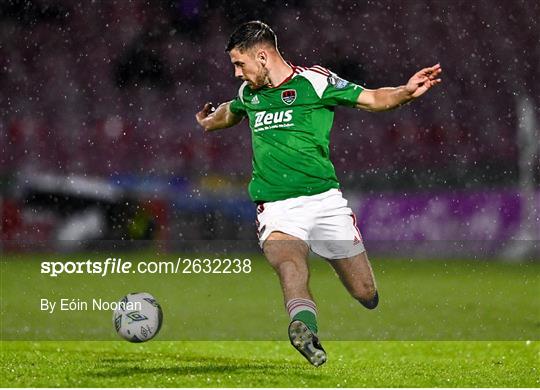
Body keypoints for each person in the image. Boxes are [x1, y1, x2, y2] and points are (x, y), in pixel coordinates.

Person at [195, 20, 442, 366]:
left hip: (325, 202)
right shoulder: (249, 95)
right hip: (277, 206)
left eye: (240, 64)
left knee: (365, 293)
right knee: (289, 262)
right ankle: (303, 327)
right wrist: (209, 122)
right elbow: (230, 111)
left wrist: (404, 91)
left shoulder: (314, 82)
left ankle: (342, 290)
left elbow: (370, 98)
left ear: (263, 57)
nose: (237, 73)